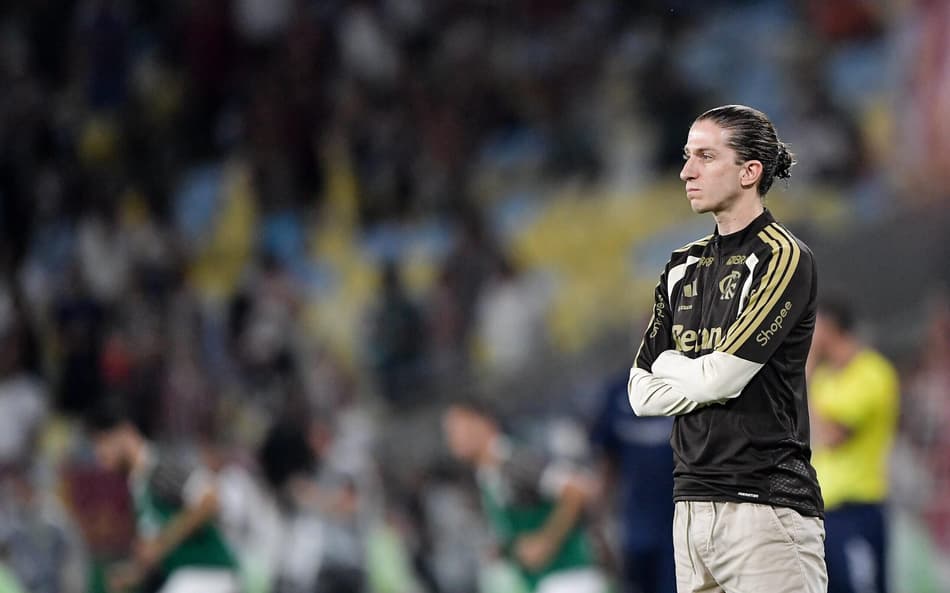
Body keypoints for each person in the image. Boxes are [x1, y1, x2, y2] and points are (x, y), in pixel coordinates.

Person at [627, 104, 827, 593]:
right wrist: (701, 374)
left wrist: (673, 364)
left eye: (705, 156)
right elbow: (638, 394)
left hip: (765, 511)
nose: (686, 171)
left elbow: (723, 378)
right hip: (689, 509)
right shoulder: (680, 266)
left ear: (749, 171)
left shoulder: (782, 257)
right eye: (686, 156)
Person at [442, 400, 606, 593]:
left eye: (457, 429)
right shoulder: (487, 473)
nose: (453, 439)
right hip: (540, 581)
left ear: (483, 423)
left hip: (566, 577)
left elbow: (576, 491)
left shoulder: (516, 461)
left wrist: (545, 541)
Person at [85, 402, 238, 593]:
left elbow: (210, 499)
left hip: (207, 572)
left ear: (126, 433)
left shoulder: (158, 466)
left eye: (102, 442)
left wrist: (161, 543)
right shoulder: (138, 484)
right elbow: (156, 551)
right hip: (184, 576)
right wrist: (134, 573)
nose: (99, 455)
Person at [807, 299, 899, 593]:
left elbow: (833, 435)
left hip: (858, 510)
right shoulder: (824, 378)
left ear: (830, 329)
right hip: (824, 513)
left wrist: (804, 374)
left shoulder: (872, 373)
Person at [589, 370, 675, 593]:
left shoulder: (694, 383)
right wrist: (598, 528)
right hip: (634, 531)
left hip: (682, 528)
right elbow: (607, 465)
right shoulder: (619, 392)